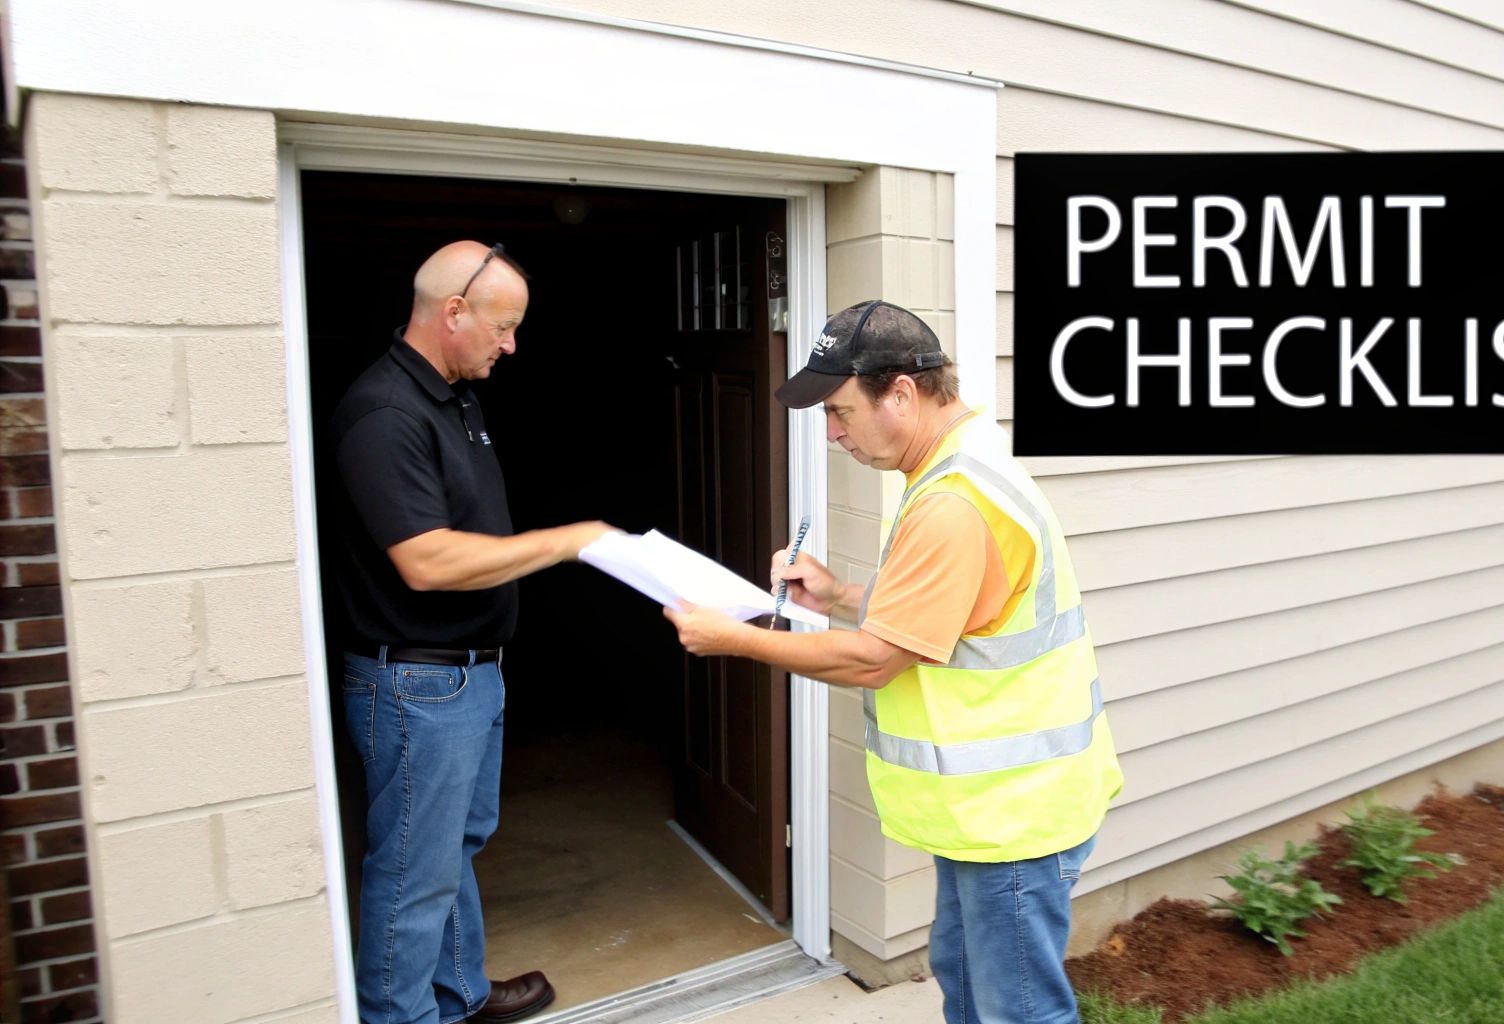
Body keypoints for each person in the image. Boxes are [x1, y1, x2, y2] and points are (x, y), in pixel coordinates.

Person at [664, 300, 1123, 1024]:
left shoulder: (954, 501)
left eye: (841, 410)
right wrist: (840, 592)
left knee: (1020, 1010)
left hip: (1012, 816)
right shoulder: (956, 464)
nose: (832, 431)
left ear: (901, 394)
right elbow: (957, 613)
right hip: (988, 811)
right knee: (967, 981)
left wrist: (736, 638)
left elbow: (876, 660)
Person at [331, 240, 611, 1024]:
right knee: (413, 871)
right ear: (452, 313)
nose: (511, 344)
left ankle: (458, 995)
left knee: (452, 850)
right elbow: (424, 560)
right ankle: (403, 1015)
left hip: (467, 674)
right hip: (416, 682)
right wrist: (567, 539)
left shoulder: (453, 396)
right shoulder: (383, 413)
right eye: (502, 326)